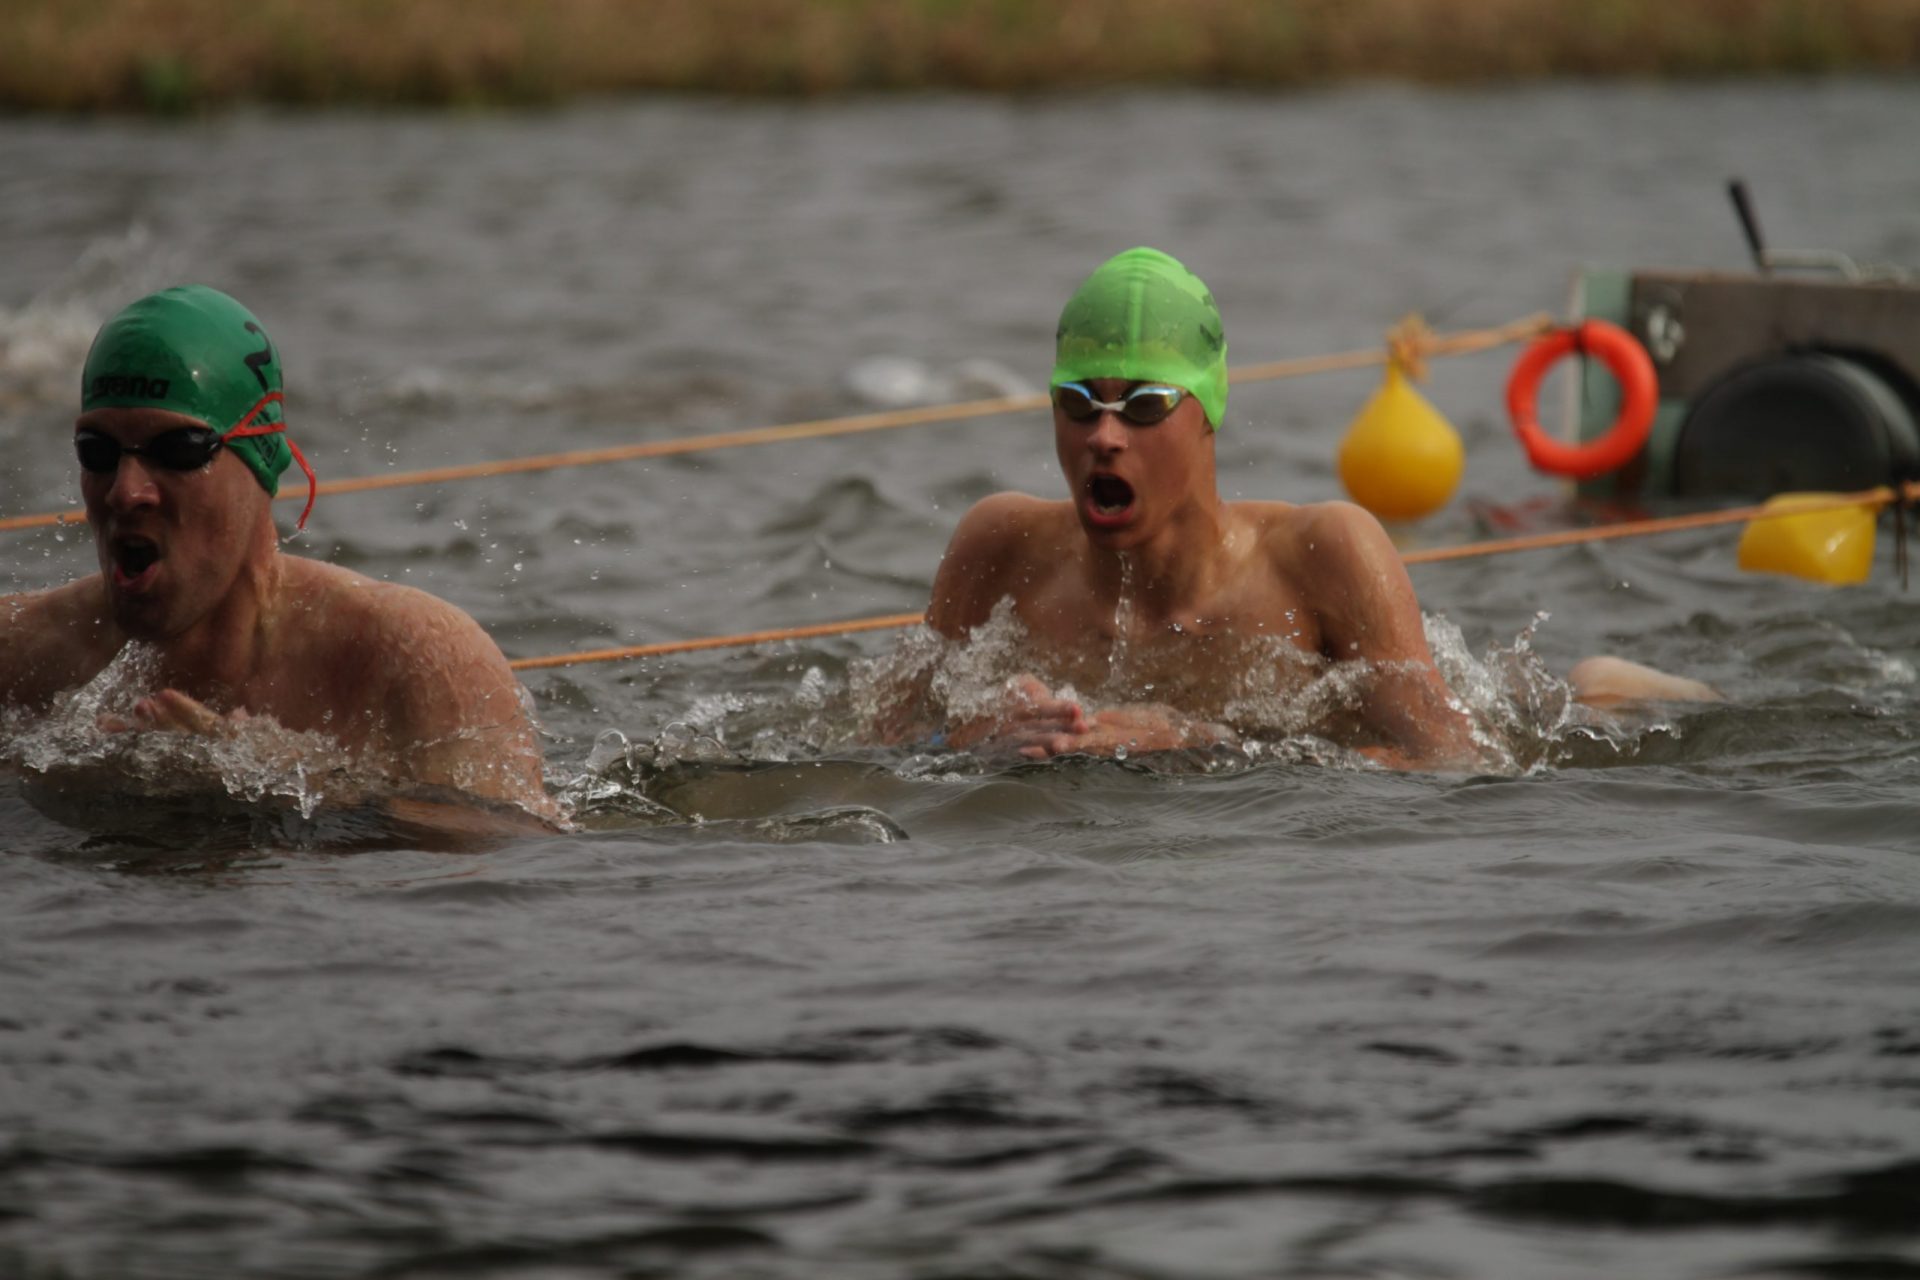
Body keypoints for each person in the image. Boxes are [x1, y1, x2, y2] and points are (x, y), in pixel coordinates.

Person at [906, 247, 1713, 767]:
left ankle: (1616, 691)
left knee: (1587, 699)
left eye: (1145, 404)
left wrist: (1196, 743)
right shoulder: (1001, 544)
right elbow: (879, 743)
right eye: (1078, 403)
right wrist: (970, 740)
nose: (1104, 436)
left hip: (1492, 731)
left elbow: (1458, 765)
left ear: (1207, 412)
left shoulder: (1320, 553)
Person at [0, 285, 556, 823]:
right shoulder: (17, 653)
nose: (125, 490)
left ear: (261, 455)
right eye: (97, 451)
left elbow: (513, 842)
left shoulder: (414, 659)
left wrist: (287, 782)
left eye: (178, 450)